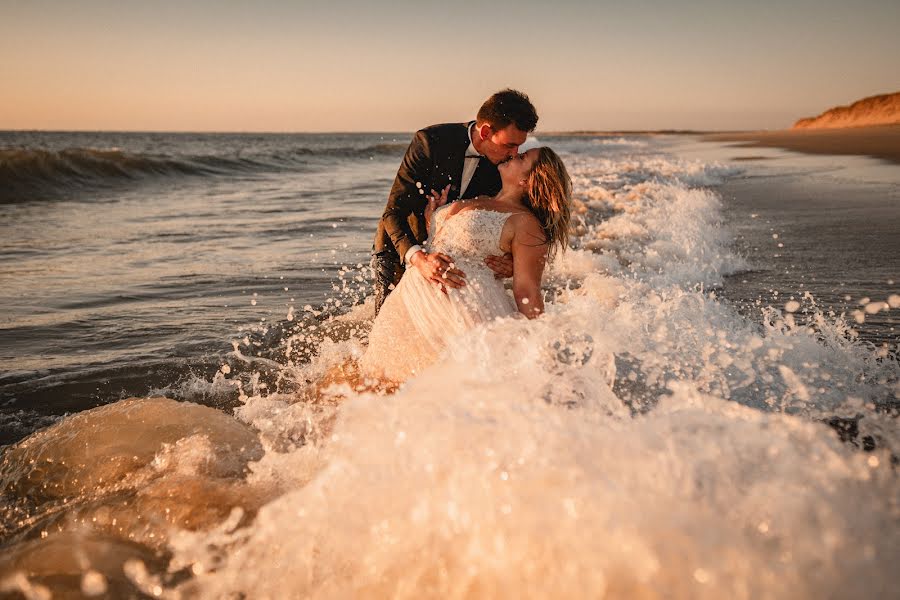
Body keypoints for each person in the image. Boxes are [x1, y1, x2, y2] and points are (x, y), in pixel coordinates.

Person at [361, 147, 572, 383]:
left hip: (461, 312)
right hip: (409, 303)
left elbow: (528, 290)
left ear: (528, 180)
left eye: (522, 158)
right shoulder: (483, 197)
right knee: (380, 387)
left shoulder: (527, 224)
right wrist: (433, 219)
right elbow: (455, 241)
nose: (514, 154)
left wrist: (541, 353)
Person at [371, 89, 539, 315]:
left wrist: (512, 261)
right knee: (388, 322)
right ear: (486, 131)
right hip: (401, 244)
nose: (514, 153)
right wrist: (419, 259)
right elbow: (393, 212)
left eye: (519, 146)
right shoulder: (430, 142)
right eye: (509, 145)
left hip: (454, 257)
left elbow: (501, 217)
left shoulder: (504, 166)